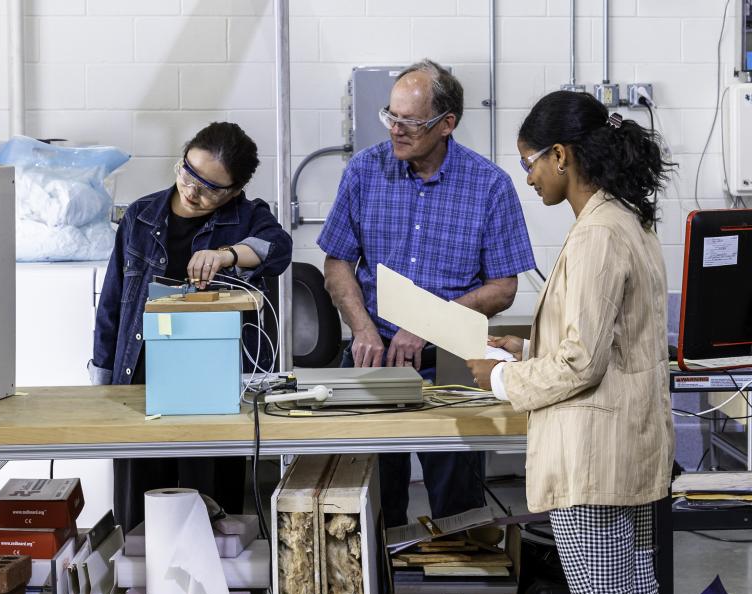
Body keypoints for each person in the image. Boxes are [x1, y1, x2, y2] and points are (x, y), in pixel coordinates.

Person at [467, 90, 676, 594]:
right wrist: (528, 349)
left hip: (592, 463)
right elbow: (610, 343)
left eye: (529, 161)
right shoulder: (625, 221)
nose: (528, 178)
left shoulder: (596, 235)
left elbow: (582, 365)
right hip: (624, 453)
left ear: (560, 155)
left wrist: (503, 377)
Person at [317, 59, 536, 527]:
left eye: (409, 122)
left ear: (447, 124)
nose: (395, 130)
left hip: (452, 362)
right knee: (369, 507)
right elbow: (336, 262)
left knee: (460, 511)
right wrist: (363, 329)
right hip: (370, 360)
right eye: (390, 117)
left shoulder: (489, 186)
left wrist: (428, 325)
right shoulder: (363, 173)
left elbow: (504, 288)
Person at [90, 121, 293, 533]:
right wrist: (103, 383)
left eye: (211, 188)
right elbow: (113, 302)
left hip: (212, 388)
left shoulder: (247, 217)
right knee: (140, 513)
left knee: (211, 509)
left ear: (234, 192)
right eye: (188, 172)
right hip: (142, 380)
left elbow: (279, 248)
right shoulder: (142, 215)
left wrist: (227, 255)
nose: (193, 189)